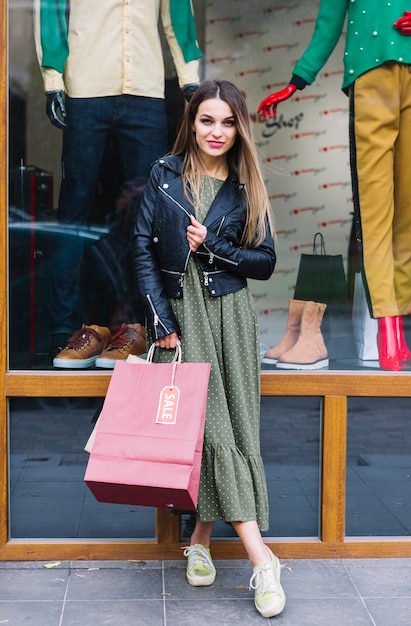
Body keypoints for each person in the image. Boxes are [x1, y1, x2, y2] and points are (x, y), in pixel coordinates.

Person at [132, 80, 286, 619]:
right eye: (206, 121)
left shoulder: (247, 185)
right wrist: (158, 322)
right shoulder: (166, 174)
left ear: (238, 126)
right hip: (185, 317)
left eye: (226, 122)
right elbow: (143, 248)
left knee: (236, 428)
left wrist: (213, 248)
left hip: (231, 317)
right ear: (191, 123)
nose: (216, 132)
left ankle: (199, 539)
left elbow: (264, 262)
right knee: (212, 429)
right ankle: (261, 559)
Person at [33, 0, 202, 360]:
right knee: (73, 210)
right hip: (85, 88)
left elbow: (178, 17)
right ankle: (63, 327)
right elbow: (50, 10)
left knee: (151, 215)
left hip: (145, 91)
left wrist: (190, 80)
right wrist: (53, 79)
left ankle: (146, 324)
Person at [258, 2, 411, 371]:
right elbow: (328, 21)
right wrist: (298, 79)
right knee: (376, 210)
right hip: (371, 75)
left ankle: (399, 321)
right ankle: (389, 327)